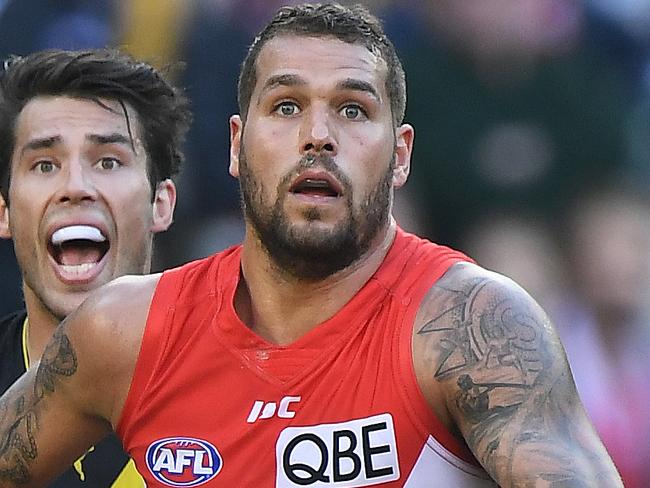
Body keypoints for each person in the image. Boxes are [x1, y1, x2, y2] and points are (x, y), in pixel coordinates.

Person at [0, 4, 622, 486]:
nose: (318, 136)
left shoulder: (472, 329)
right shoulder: (123, 333)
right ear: (236, 146)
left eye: (352, 110)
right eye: (287, 106)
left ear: (400, 154)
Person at [0, 49, 191, 486]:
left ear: (160, 204)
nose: (75, 187)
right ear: (5, 212)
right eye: (45, 165)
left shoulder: (241, 391)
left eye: (107, 161)